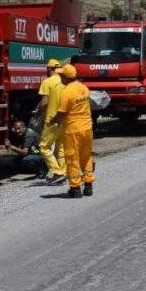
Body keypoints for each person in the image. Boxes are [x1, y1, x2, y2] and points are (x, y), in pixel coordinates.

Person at [52, 65, 95, 198]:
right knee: (86, 157)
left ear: (66, 77)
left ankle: (75, 188)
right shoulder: (84, 88)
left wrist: (51, 121)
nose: (59, 77)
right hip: (87, 128)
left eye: (60, 75)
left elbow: (61, 113)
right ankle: (88, 186)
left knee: (72, 159)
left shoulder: (67, 91)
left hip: (73, 130)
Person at [34, 59, 66, 185]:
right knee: (61, 147)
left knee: (44, 146)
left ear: (50, 69)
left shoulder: (47, 82)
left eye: (47, 68)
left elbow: (45, 102)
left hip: (52, 119)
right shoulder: (64, 81)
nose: (46, 70)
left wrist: (37, 113)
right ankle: (63, 172)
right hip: (64, 118)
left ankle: (57, 172)